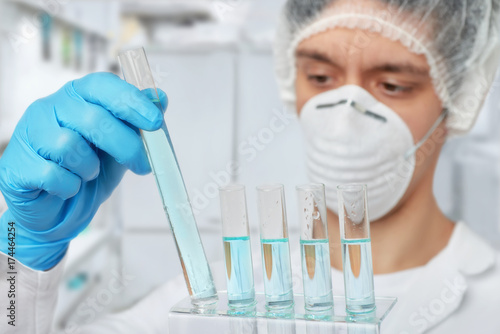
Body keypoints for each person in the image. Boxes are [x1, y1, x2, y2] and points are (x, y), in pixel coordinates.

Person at [1, 0, 500, 333]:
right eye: (321, 75)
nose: (345, 112)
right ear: (292, 78)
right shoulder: (223, 291)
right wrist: (19, 253)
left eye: (392, 84)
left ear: (460, 95)